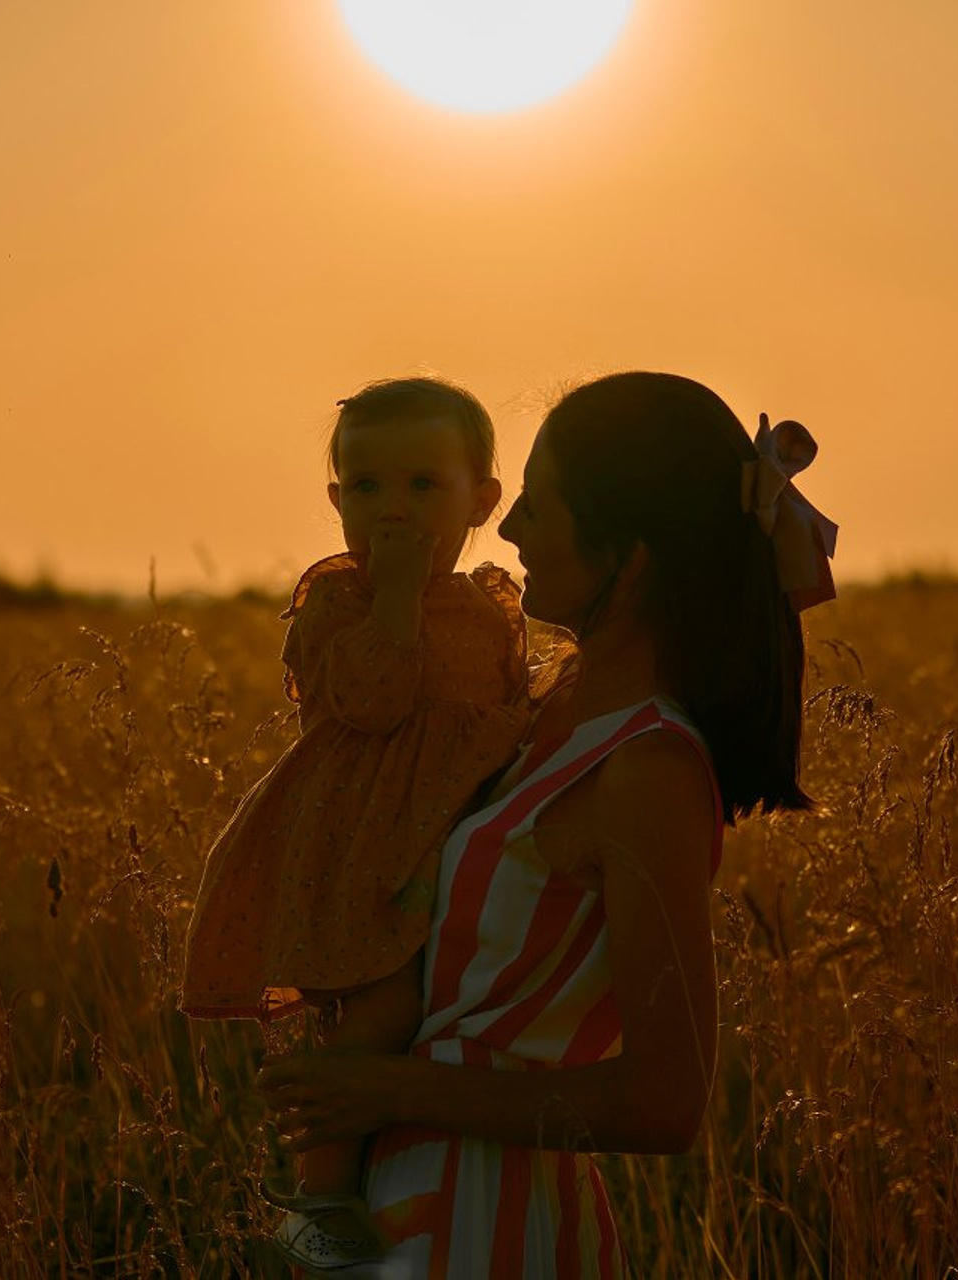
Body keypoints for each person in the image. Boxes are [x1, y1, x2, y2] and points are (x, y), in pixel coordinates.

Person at [256, 371, 838, 1277]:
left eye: (540, 502)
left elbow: (665, 1103)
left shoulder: (644, 765)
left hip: (486, 1220)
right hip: (404, 1201)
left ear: (629, 554)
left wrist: (384, 1088)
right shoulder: (535, 708)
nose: (513, 526)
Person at [179, 377, 529, 1268]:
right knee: (381, 1006)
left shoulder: (491, 607)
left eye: (423, 486)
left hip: (448, 836)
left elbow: (510, 711)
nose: (393, 511)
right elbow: (371, 702)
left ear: (482, 500)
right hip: (364, 847)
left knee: (446, 1009)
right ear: (336, 503)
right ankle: (319, 1196)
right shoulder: (339, 603)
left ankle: (408, 1179)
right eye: (366, 488)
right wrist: (399, 596)